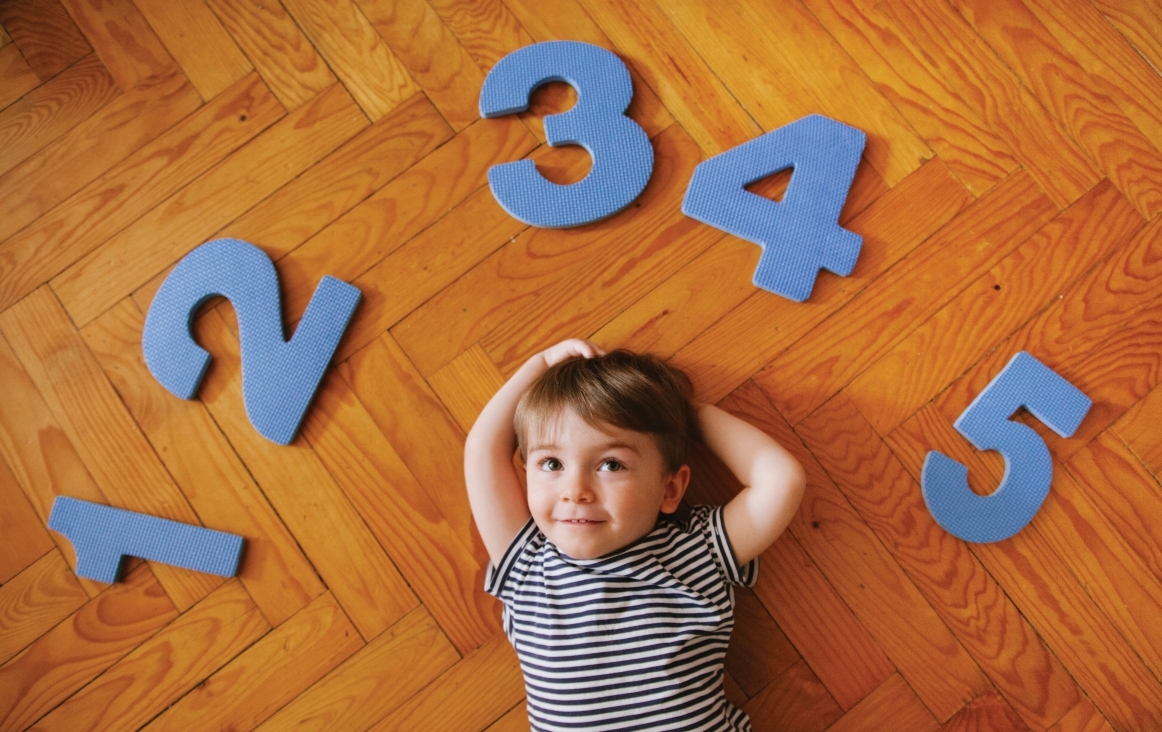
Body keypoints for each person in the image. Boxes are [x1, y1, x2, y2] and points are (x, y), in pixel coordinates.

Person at [464, 339, 805, 731]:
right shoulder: (526, 565)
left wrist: (687, 415)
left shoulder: (696, 553)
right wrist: (537, 364)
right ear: (526, 473)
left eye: (611, 464)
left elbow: (781, 480)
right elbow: (482, 451)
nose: (575, 490)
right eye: (552, 462)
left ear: (670, 489)